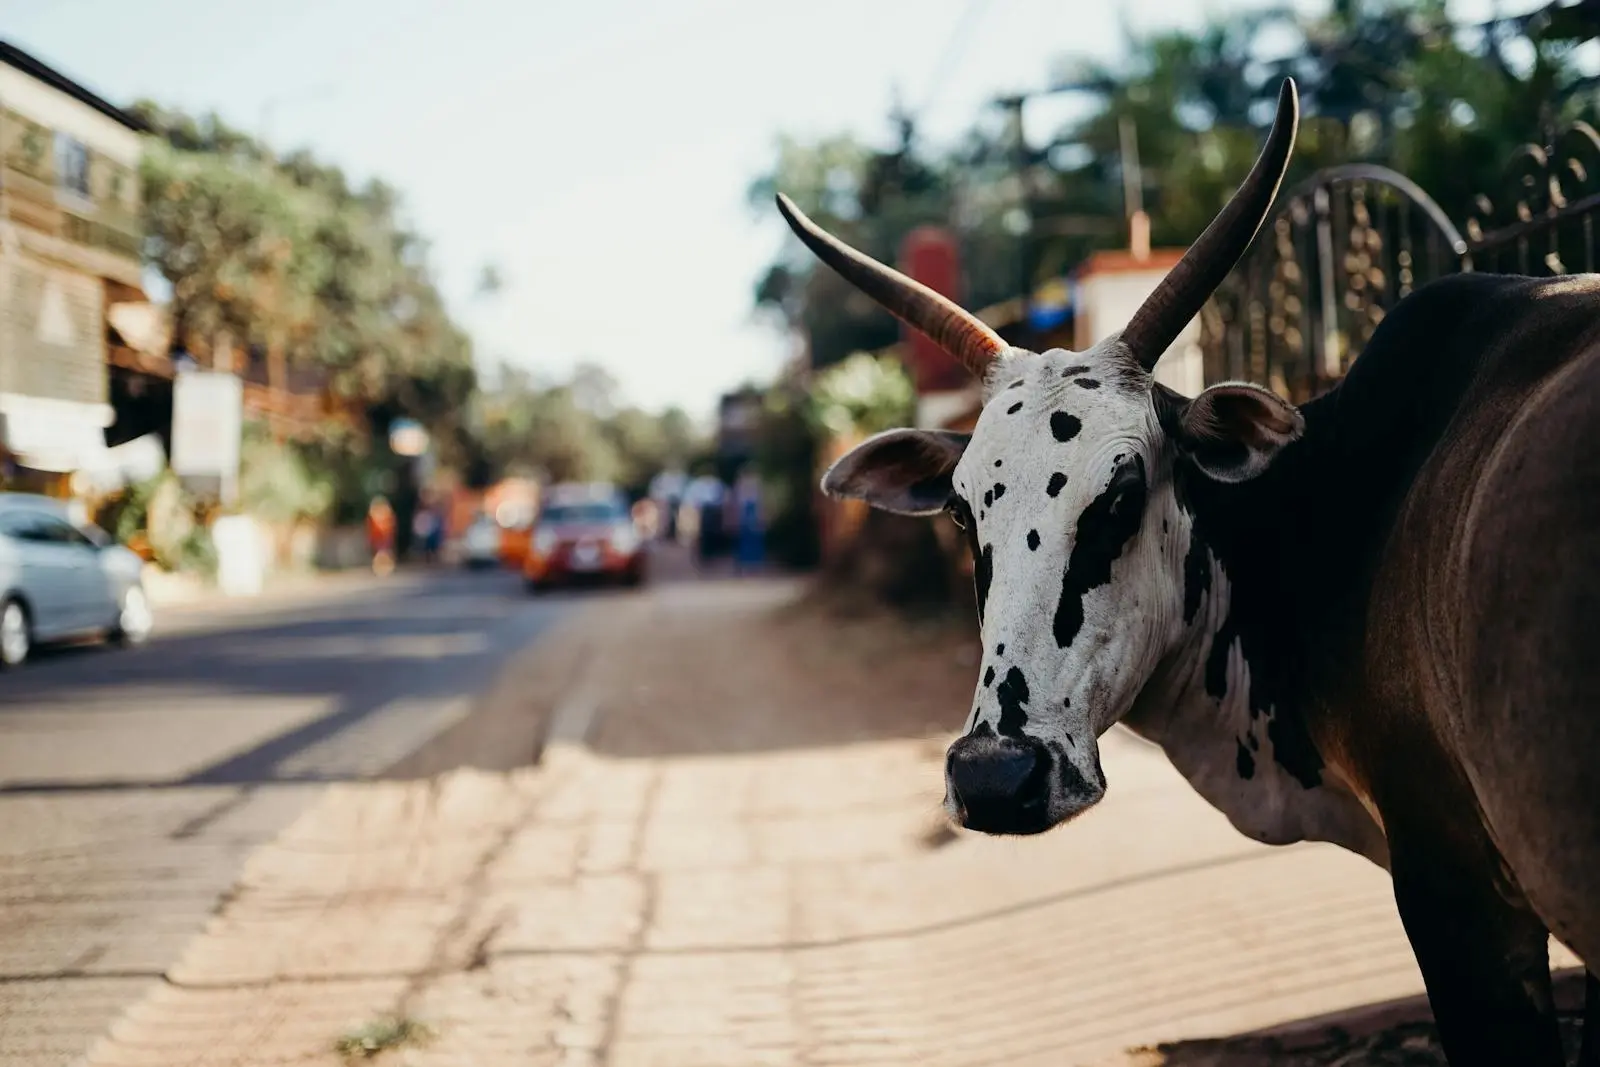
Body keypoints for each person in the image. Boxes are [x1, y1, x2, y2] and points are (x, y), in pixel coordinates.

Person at [732, 469, 765, 575]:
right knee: (745, 541)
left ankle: (753, 565)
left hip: (750, 516)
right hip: (745, 517)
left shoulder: (755, 487)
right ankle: (745, 565)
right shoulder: (741, 488)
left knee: (753, 540)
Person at [367, 496, 396, 576]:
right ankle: (381, 567)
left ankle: (384, 567)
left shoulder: (386, 515)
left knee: (383, 552)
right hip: (378, 537)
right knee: (381, 552)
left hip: (383, 536)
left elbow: (391, 526)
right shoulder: (375, 516)